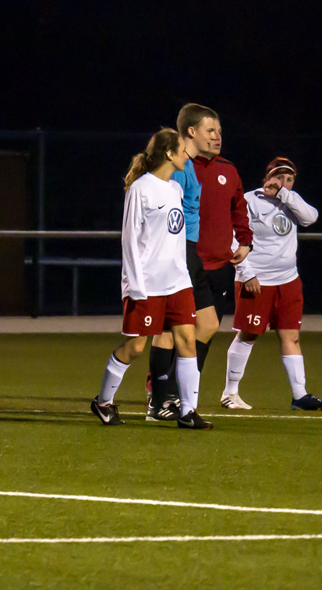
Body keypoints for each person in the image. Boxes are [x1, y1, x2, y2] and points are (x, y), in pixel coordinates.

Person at [91, 128, 213, 430]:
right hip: (147, 285)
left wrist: (184, 274)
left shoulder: (175, 189)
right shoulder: (140, 189)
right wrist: (134, 286)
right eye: (183, 149)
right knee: (134, 348)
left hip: (177, 282)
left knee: (187, 342)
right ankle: (103, 402)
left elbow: (175, 237)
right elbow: (129, 240)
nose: (188, 154)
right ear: (170, 153)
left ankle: (188, 412)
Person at [147, 104, 253, 417]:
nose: (218, 137)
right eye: (211, 131)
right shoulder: (178, 168)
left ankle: (177, 394)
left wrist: (245, 241)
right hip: (182, 258)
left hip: (214, 264)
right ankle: (160, 396)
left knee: (205, 326)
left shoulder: (226, 170)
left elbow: (239, 210)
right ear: (191, 132)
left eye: (219, 131)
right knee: (168, 330)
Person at [221, 157, 322, 411]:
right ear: (267, 177)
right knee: (248, 335)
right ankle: (230, 392)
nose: (283, 182)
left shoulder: (292, 201)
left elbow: (311, 217)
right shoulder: (249, 200)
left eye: (289, 179)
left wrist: (285, 194)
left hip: (288, 281)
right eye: (279, 177)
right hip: (257, 281)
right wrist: (245, 272)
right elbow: (232, 237)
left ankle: (299, 395)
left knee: (291, 336)